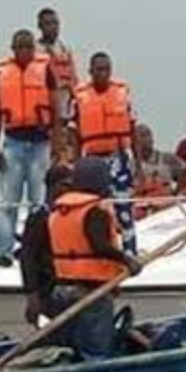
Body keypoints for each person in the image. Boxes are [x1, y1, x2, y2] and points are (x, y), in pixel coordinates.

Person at [45, 157, 143, 359]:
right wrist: (127, 260)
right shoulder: (93, 211)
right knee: (95, 350)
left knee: (71, 347)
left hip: (62, 289)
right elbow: (99, 246)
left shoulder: (59, 210)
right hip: (91, 293)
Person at [0, 28, 60, 266]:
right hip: (13, 143)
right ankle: (4, 252)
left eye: (29, 46)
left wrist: (58, 147)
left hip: (40, 143)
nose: (25, 51)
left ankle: (36, 251)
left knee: (38, 202)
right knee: (8, 201)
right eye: (20, 46)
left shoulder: (45, 70)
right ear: (13, 49)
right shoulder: (1, 74)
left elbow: (56, 110)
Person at [73, 52, 138, 254]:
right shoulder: (79, 96)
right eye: (99, 69)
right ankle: (97, 250)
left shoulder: (122, 92)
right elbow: (74, 133)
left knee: (123, 205)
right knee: (93, 207)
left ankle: (129, 251)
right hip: (91, 160)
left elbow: (133, 127)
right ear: (90, 71)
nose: (103, 73)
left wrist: (138, 164)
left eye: (107, 69)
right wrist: (76, 164)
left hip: (118, 158)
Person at [19, 164, 75, 326]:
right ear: (54, 186)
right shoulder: (39, 218)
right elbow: (27, 258)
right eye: (66, 185)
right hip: (46, 291)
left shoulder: (67, 215)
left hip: (67, 288)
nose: (71, 190)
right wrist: (32, 296)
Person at [37, 7, 79, 132]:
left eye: (55, 23)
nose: (53, 27)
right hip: (43, 111)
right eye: (48, 23)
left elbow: (74, 79)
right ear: (40, 26)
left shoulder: (65, 49)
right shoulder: (35, 50)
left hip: (64, 110)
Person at [132, 124, 184, 219]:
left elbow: (185, 169)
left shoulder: (167, 158)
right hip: (140, 214)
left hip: (165, 211)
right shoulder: (130, 165)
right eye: (142, 136)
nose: (147, 139)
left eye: (148, 135)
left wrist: (176, 193)